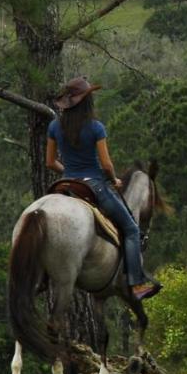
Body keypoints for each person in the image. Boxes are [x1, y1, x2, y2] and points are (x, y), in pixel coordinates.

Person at [45, 76, 160, 301]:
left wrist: (68, 172)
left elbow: (49, 162)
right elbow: (106, 164)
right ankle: (136, 284)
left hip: (66, 184)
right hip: (94, 186)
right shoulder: (96, 127)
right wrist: (113, 180)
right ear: (88, 102)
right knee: (132, 229)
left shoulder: (54, 126)